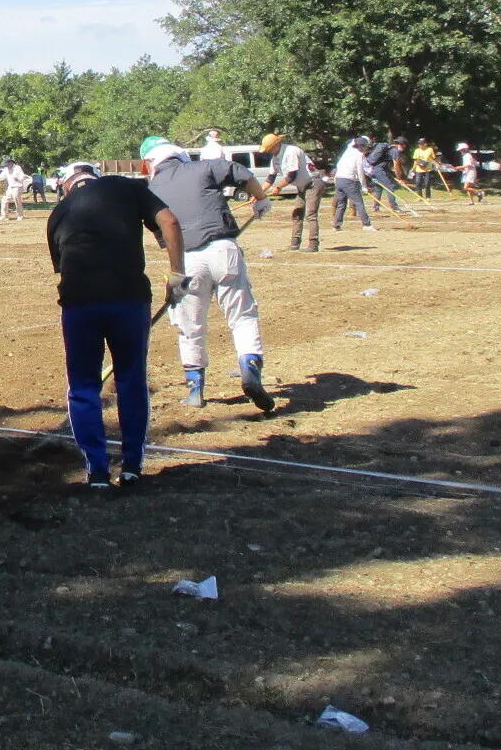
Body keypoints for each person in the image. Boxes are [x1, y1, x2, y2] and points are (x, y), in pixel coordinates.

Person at [45, 163, 185, 490]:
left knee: (83, 387)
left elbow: (66, 266)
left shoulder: (57, 213)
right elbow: (169, 222)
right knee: (131, 380)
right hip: (128, 300)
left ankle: (97, 472)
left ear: (67, 187)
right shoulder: (127, 187)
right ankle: (132, 466)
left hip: (79, 304)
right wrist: (177, 274)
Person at [144, 137, 274, 415]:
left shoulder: (151, 190)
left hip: (186, 260)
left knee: (189, 326)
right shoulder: (203, 167)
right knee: (242, 315)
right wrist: (261, 199)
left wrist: (176, 275)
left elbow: (164, 237)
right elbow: (242, 173)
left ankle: (195, 391)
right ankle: (250, 367)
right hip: (223, 249)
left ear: (152, 162)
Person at [261, 132, 323, 251]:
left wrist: (279, 188)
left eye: (269, 149)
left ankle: (313, 244)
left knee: (310, 214)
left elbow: (292, 176)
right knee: (297, 214)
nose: (268, 151)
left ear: (276, 145)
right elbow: (271, 178)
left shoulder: (291, 152)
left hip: (313, 183)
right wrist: (259, 193)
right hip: (302, 186)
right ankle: (295, 243)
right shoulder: (275, 159)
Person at [332, 137, 374, 231]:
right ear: (361, 146)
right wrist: (364, 186)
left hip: (339, 179)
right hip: (349, 180)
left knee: (341, 203)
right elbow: (360, 171)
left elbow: (338, 165)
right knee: (358, 202)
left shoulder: (348, 152)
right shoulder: (359, 154)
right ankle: (367, 225)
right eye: (366, 147)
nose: (366, 149)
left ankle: (336, 225)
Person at [362, 136, 402, 211]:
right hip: (379, 170)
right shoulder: (395, 150)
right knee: (390, 187)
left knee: (378, 188)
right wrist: (399, 178)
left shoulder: (387, 147)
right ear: (401, 145)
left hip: (373, 168)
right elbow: (396, 165)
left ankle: (376, 207)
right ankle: (394, 207)